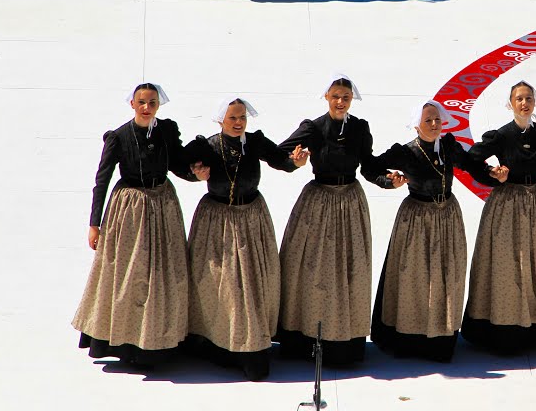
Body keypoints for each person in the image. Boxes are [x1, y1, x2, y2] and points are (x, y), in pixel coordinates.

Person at [276, 74, 405, 366]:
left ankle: (344, 342)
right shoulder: (314, 127)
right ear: (326, 97)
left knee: (348, 270)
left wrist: (388, 182)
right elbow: (281, 152)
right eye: (335, 96)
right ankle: (304, 337)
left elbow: (370, 167)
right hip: (318, 202)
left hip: (350, 203)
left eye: (345, 97)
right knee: (312, 271)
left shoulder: (359, 128)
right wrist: (294, 162)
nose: (340, 101)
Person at [73, 83, 199, 367]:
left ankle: (159, 338)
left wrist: (196, 176)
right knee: (130, 272)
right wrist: (95, 223)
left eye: (152, 102)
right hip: (130, 209)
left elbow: (178, 165)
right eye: (142, 102)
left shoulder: (166, 131)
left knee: (163, 271)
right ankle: (128, 341)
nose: (147, 107)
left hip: (163, 204)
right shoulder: (118, 137)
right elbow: (101, 181)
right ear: (132, 104)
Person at [183, 97, 306, 380]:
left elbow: (281, 160)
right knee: (219, 284)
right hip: (217, 221)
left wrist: (295, 163)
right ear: (220, 120)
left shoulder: (255, 143)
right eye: (232, 119)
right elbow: (182, 166)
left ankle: (250, 346)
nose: (238, 123)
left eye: (242, 118)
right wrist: (194, 174)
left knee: (249, 283)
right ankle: (218, 344)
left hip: (251, 218)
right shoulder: (207, 146)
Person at [370, 100, 501, 362]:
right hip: (417, 219)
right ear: (416, 125)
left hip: (447, 217)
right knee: (414, 277)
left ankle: (440, 338)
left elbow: (471, 166)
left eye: (437, 120)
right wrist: (389, 181)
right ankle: (410, 337)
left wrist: (491, 173)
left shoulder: (449, 147)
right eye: (428, 120)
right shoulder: (407, 152)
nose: (433, 125)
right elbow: (371, 168)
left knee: (446, 274)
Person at [461, 80, 536, 355]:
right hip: (508, 203)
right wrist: (492, 174)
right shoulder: (501, 136)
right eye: (519, 99)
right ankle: (505, 329)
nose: (524, 103)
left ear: (534, 103)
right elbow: (471, 160)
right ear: (511, 104)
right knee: (508, 265)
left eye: (528, 98)